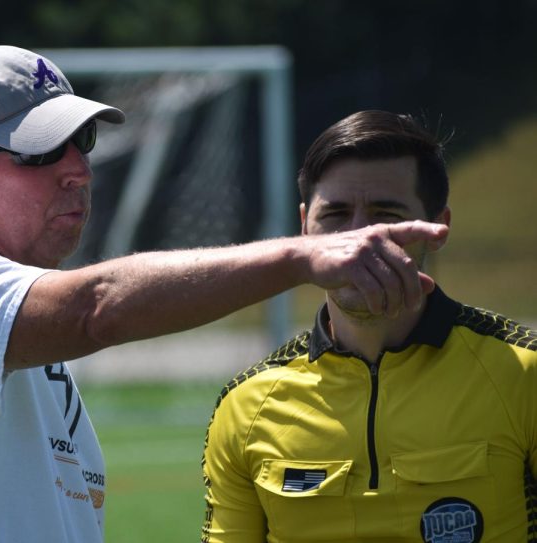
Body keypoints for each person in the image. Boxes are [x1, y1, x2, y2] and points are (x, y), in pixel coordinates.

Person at [0, 47, 448, 542]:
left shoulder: (6, 327)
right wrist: (302, 255)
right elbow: (96, 308)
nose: (78, 168)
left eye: (82, 142)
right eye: (41, 150)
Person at [201, 110, 537, 542]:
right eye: (336, 214)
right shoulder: (245, 407)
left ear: (439, 228)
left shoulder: (523, 374)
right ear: (304, 227)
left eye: (385, 215)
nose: (359, 238)